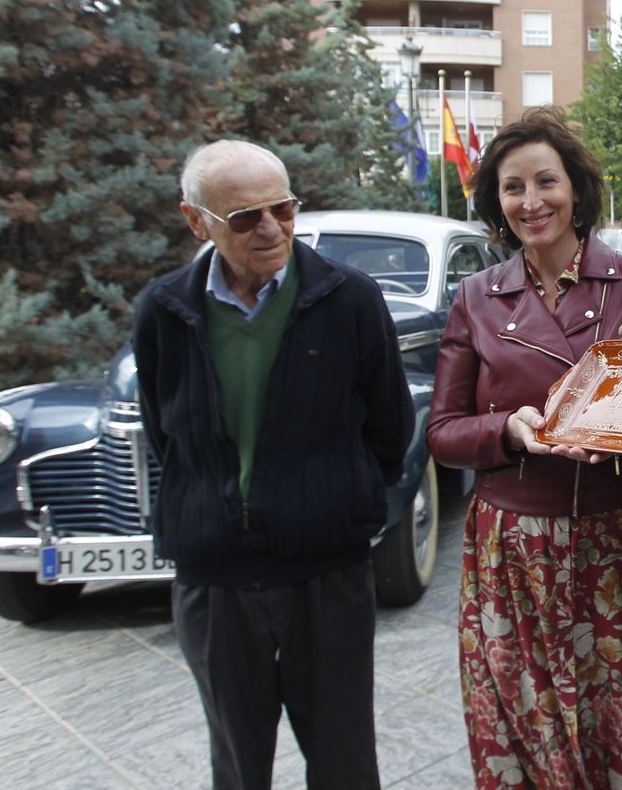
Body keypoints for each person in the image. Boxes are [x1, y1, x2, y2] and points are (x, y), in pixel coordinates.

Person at [426, 109, 622, 790]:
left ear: (576, 189)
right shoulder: (475, 296)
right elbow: (443, 431)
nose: (532, 202)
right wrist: (508, 430)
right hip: (516, 550)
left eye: (546, 182)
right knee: (534, 727)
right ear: (495, 202)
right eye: (512, 187)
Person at [132, 140, 411, 790]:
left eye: (282, 208)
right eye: (244, 216)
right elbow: (165, 432)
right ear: (195, 220)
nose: (270, 228)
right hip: (216, 580)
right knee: (236, 763)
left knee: (345, 763)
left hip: (327, 573)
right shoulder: (164, 310)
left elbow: (388, 428)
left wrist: (339, 505)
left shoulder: (351, 299)